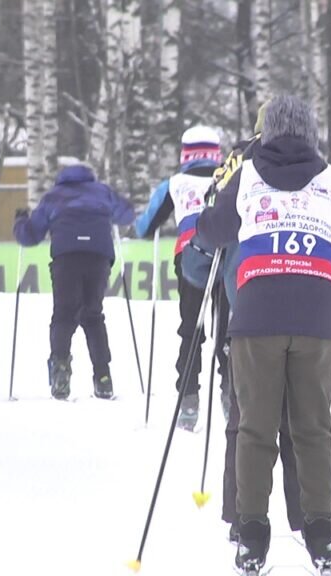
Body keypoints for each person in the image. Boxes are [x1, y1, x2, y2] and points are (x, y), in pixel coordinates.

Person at [197, 94, 331, 574]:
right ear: (310, 132)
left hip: (256, 314)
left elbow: (210, 230)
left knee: (255, 428)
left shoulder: (247, 174)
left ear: (268, 131)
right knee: (313, 430)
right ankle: (321, 535)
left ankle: (252, 536)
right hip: (318, 316)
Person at [14, 162, 134, 400]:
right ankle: (103, 377)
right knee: (93, 316)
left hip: (66, 259)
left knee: (64, 315)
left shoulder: (53, 197)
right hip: (98, 258)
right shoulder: (102, 191)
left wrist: (20, 221)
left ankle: (60, 369)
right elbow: (127, 214)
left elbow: (30, 236)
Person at [136, 126, 227, 430]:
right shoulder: (230, 179)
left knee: (192, 327)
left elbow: (147, 226)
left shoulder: (174, 183)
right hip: (227, 254)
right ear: (217, 152)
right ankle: (231, 393)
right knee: (229, 328)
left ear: (185, 154)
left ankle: (188, 399)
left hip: (189, 255)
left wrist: (135, 228)